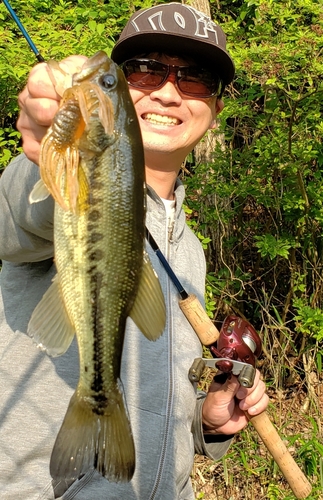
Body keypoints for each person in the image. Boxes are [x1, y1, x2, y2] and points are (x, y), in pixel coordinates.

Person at [0, 3, 269, 499]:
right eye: (145, 70)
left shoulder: (190, 252)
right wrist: (45, 146)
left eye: (195, 78)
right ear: (121, 88)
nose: (168, 91)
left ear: (215, 111)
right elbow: (19, 216)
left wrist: (204, 423)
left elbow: (157, 399)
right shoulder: (68, 173)